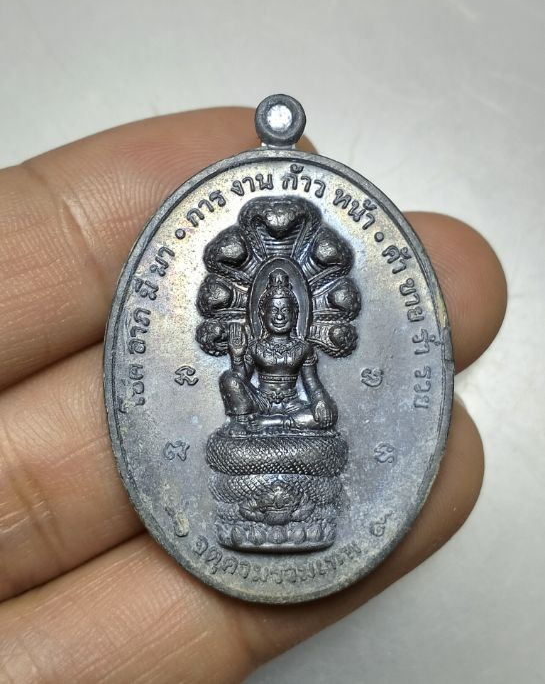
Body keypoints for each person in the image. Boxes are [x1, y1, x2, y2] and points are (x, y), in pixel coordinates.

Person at [0, 107, 506, 682]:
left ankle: (294, 496)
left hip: (296, 422)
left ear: (301, 306)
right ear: (260, 303)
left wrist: (314, 408)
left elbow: (316, 396)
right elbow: (236, 387)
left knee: (324, 434)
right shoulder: (251, 342)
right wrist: (242, 385)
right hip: (255, 422)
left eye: (289, 305)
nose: (281, 312)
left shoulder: (303, 348)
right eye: (272, 304)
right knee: (230, 421)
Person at [220, 268, 336, 433]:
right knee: (228, 379)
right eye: (273, 310)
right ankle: (242, 421)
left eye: (285, 310)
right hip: (261, 403)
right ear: (262, 313)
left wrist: (320, 401)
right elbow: (241, 380)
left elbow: (312, 383)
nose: (279, 316)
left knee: (326, 414)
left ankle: (275, 422)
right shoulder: (256, 347)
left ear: (295, 314)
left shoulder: (303, 348)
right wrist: (237, 356)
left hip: (292, 405)